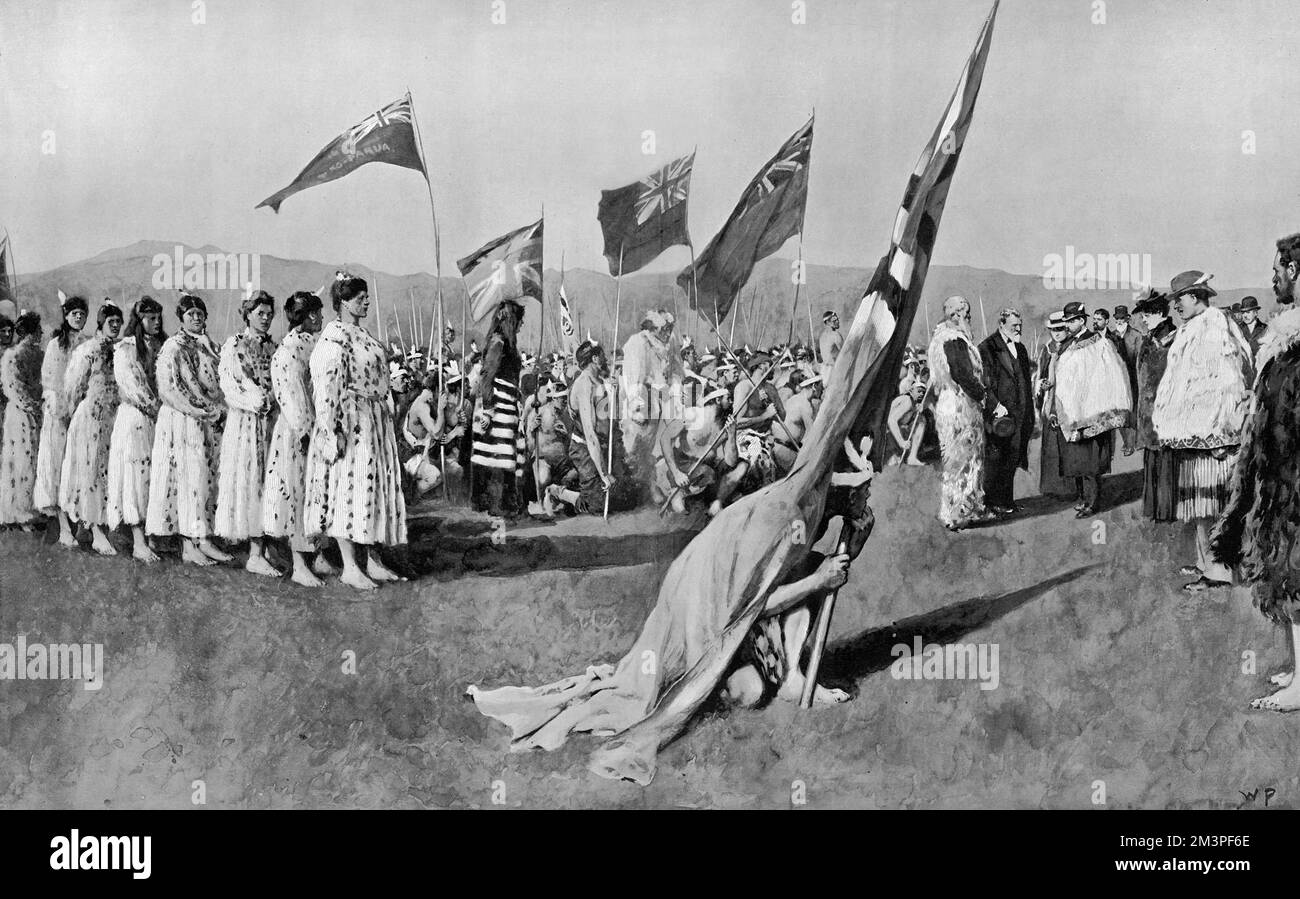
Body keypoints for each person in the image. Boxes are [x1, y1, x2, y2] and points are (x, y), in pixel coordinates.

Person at [1211, 233, 1300, 709]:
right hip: (1278, 473)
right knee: (1284, 571)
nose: (1273, 276)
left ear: (1296, 271)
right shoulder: (1285, 333)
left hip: (1294, 473)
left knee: (1297, 571)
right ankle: (1298, 669)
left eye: (1279, 268)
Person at [305, 272, 406, 591]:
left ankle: (373, 561)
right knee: (348, 491)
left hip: (375, 422)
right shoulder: (333, 338)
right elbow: (325, 387)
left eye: (366, 295)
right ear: (342, 302)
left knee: (374, 490)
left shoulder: (365, 336)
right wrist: (329, 430)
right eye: (358, 296)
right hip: (350, 423)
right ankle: (350, 565)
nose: (365, 300)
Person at [1151, 271, 1252, 593]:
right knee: (1199, 507)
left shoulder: (1215, 328)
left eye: (1179, 299)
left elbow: (1225, 385)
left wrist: (1216, 432)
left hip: (1214, 438)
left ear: (1195, 297)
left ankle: (1219, 573)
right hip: (1193, 436)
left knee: (1213, 507)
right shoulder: (1193, 327)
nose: (1176, 306)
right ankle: (1204, 562)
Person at [146, 293, 230, 567]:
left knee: (204, 480)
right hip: (181, 422)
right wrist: (203, 409)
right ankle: (187, 544)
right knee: (186, 480)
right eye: (191, 314)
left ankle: (203, 539)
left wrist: (217, 409)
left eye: (200, 313)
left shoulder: (209, 346)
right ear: (181, 318)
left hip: (205, 421)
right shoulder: (173, 347)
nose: (196, 318)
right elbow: (172, 389)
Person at [263, 291, 333, 588]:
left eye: (319, 312)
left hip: (319, 426)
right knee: (296, 493)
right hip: (297, 431)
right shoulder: (289, 349)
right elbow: (290, 394)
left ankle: (317, 552)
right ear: (302, 317)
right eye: (313, 314)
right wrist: (306, 432)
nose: (319, 318)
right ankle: (299, 562)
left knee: (318, 492)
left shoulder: (317, 344)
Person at [1046, 301, 1131, 517]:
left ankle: (1092, 503)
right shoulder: (1069, 343)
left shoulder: (1097, 343)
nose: (1068, 325)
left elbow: (1109, 374)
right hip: (1072, 411)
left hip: (1090, 410)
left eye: (1071, 321)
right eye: (1066, 321)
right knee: (1076, 459)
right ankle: (1084, 499)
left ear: (1081, 321)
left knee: (1090, 460)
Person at [215, 290, 279, 576]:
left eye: (268, 314)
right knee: (251, 481)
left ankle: (265, 545)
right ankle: (254, 552)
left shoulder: (274, 347)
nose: (265, 319)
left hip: (271, 421)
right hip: (245, 423)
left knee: (270, 481)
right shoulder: (234, 344)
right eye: (259, 314)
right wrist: (254, 401)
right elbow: (228, 386)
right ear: (248, 314)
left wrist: (273, 399)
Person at [58, 301, 123, 555]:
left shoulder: (120, 350)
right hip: (89, 419)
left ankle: (93, 524)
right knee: (89, 472)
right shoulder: (88, 350)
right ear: (101, 324)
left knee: (105, 473)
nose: (115, 326)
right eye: (111, 322)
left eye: (118, 322)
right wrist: (76, 412)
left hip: (111, 420)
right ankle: (96, 531)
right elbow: (73, 386)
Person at [106, 296, 166, 561]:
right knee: (135, 475)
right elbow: (133, 386)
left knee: (155, 475)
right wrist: (156, 408)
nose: (156, 323)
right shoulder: (126, 348)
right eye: (150, 318)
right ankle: (138, 540)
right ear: (139, 320)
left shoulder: (163, 346)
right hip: (135, 418)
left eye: (158, 318)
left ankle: (154, 534)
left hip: (158, 420)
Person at [928, 295, 995, 530]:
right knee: (963, 460)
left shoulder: (940, 338)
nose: (968, 320)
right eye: (966, 315)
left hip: (950, 403)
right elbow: (962, 375)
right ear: (956, 316)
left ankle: (969, 508)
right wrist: (983, 395)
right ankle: (958, 513)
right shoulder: (953, 340)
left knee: (963, 460)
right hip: (960, 406)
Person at [560, 340, 639, 515]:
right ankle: (560, 492)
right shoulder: (584, 385)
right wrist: (603, 474)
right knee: (598, 505)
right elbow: (590, 435)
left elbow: (609, 414)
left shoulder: (601, 380)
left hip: (605, 446)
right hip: (586, 449)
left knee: (629, 498)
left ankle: (580, 479)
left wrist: (614, 391)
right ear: (595, 358)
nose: (606, 358)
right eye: (603, 355)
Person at [34, 294, 88, 545]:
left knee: (78, 469)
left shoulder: (88, 343)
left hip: (82, 413)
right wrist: (63, 409)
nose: (79, 317)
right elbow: (52, 381)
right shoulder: (57, 345)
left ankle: (82, 523)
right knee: (57, 469)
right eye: (74, 313)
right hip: (60, 414)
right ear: (66, 316)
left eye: (82, 313)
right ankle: (64, 528)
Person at [467, 298, 525, 518]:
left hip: (505, 404)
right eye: (519, 321)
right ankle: (495, 505)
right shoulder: (498, 342)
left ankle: (498, 503)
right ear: (512, 321)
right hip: (497, 405)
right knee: (495, 454)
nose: (521, 326)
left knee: (498, 454)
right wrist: (489, 410)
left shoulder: (503, 343)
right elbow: (486, 376)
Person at [978, 307, 1033, 516]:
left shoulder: (1022, 349)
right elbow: (984, 383)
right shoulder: (986, 348)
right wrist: (995, 405)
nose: (1018, 329)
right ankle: (991, 503)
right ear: (1001, 325)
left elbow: (1025, 383)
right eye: (1014, 326)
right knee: (995, 460)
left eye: (1020, 325)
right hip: (999, 416)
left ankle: (1007, 501)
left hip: (1019, 415)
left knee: (1012, 457)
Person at [1131, 288, 1179, 522]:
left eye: (1147, 315)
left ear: (1160, 313)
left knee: (1165, 462)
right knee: (1152, 461)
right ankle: (1154, 508)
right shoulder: (1151, 337)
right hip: (1149, 412)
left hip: (1164, 412)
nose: (1143, 319)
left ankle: (1165, 510)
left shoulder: (1170, 338)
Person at [0, 312, 43, 527]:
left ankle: (31, 508)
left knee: (32, 460)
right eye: (37, 331)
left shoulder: (39, 354)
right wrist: (33, 406)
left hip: (34, 412)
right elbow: (12, 388)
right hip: (19, 414)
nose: (40, 334)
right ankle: (18, 512)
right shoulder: (12, 356)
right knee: (19, 461)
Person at [1035, 312, 1073, 499]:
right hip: (1050, 401)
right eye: (1053, 330)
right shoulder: (1047, 349)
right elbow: (1041, 373)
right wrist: (1042, 383)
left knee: (1068, 446)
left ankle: (1071, 488)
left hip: (1068, 402)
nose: (1056, 334)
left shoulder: (1073, 347)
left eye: (1060, 329)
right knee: (1051, 445)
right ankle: (1052, 487)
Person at [401, 368, 446, 498]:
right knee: (435, 476)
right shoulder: (422, 406)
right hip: (411, 455)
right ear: (437, 389)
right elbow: (436, 433)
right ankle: (411, 495)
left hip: (420, 452)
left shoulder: (424, 402)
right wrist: (441, 410)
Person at [772, 373, 821, 474]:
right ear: (814, 386)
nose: (822, 390)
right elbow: (812, 435)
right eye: (821, 387)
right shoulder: (805, 405)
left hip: (779, 447)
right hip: (786, 451)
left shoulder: (794, 399)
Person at [1111, 304, 1142, 455]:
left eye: (1122, 318)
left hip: (1133, 378)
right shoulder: (1111, 335)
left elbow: (1140, 358)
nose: (1119, 321)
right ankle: (1127, 442)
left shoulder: (1136, 335)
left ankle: (1133, 442)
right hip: (1117, 379)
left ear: (1127, 319)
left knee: (1133, 410)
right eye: (1117, 318)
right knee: (1120, 411)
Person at [885, 378, 930, 467]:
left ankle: (912, 457)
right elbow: (891, 420)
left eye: (923, 392)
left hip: (895, 432)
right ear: (912, 390)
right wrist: (901, 442)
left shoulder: (913, 404)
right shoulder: (907, 401)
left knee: (921, 421)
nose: (921, 394)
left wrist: (918, 410)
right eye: (919, 391)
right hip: (886, 433)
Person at [1237, 295, 1268, 361]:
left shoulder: (1265, 328)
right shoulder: (1237, 329)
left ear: (1256, 313)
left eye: (1248, 312)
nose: (1245, 315)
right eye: (1243, 313)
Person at [817, 310, 842, 379]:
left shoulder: (821, 336)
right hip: (833, 371)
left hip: (824, 372)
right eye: (834, 321)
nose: (838, 322)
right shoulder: (835, 335)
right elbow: (844, 354)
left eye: (837, 319)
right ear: (828, 322)